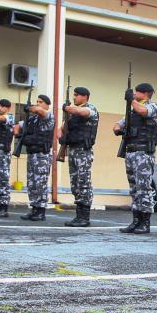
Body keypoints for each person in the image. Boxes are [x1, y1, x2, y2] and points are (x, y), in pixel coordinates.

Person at [114, 82, 157, 234]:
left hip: (143, 153)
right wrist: (118, 129)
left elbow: (143, 111)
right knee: (134, 188)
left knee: (144, 188)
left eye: (137, 92)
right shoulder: (132, 110)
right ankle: (135, 221)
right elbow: (119, 124)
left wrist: (131, 101)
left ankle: (145, 222)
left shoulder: (153, 107)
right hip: (130, 152)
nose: (134, 94)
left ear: (145, 93)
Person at [61, 86, 99, 227]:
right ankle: (78, 215)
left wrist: (68, 108)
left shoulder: (90, 109)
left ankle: (84, 217)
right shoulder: (73, 114)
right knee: (75, 184)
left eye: (76, 95)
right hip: (73, 150)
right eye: (74, 95)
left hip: (83, 151)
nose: (74, 97)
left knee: (83, 183)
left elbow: (82, 111)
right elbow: (61, 129)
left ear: (85, 97)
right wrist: (63, 138)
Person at [14, 94, 54, 221]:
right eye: (37, 101)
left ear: (47, 105)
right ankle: (34, 208)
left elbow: (39, 110)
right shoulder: (32, 120)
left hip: (42, 155)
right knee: (31, 183)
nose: (38, 104)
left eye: (40, 102)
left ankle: (40, 211)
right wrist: (19, 134)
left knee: (40, 183)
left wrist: (30, 107)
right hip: (32, 154)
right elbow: (17, 126)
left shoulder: (48, 115)